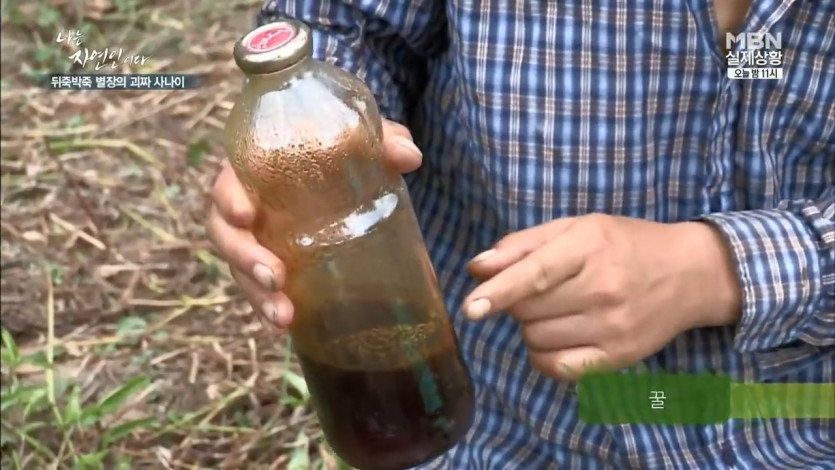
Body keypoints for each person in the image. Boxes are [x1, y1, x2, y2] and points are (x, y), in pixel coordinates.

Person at [206, 0, 834, 467]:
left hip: (792, 423)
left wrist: (721, 269)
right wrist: (314, 121)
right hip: (502, 422)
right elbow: (347, 22)